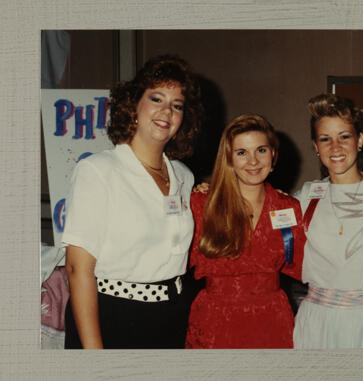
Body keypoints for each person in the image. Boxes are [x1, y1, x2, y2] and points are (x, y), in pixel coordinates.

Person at [62, 54, 203, 349]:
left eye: (177, 105)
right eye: (156, 99)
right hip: (113, 315)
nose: (167, 111)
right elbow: (78, 269)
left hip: (174, 314)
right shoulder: (98, 171)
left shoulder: (184, 176)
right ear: (133, 105)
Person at [185, 113, 305, 349]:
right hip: (215, 323)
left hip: (272, 322)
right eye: (242, 153)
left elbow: (308, 265)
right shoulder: (201, 204)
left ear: (274, 155)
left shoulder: (288, 207)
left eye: (261, 150)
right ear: (229, 159)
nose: (253, 161)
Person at [292, 94, 363, 348]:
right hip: (317, 320)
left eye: (344, 136)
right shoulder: (307, 195)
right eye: (325, 139)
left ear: (359, 139)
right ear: (315, 147)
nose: (335, 147)